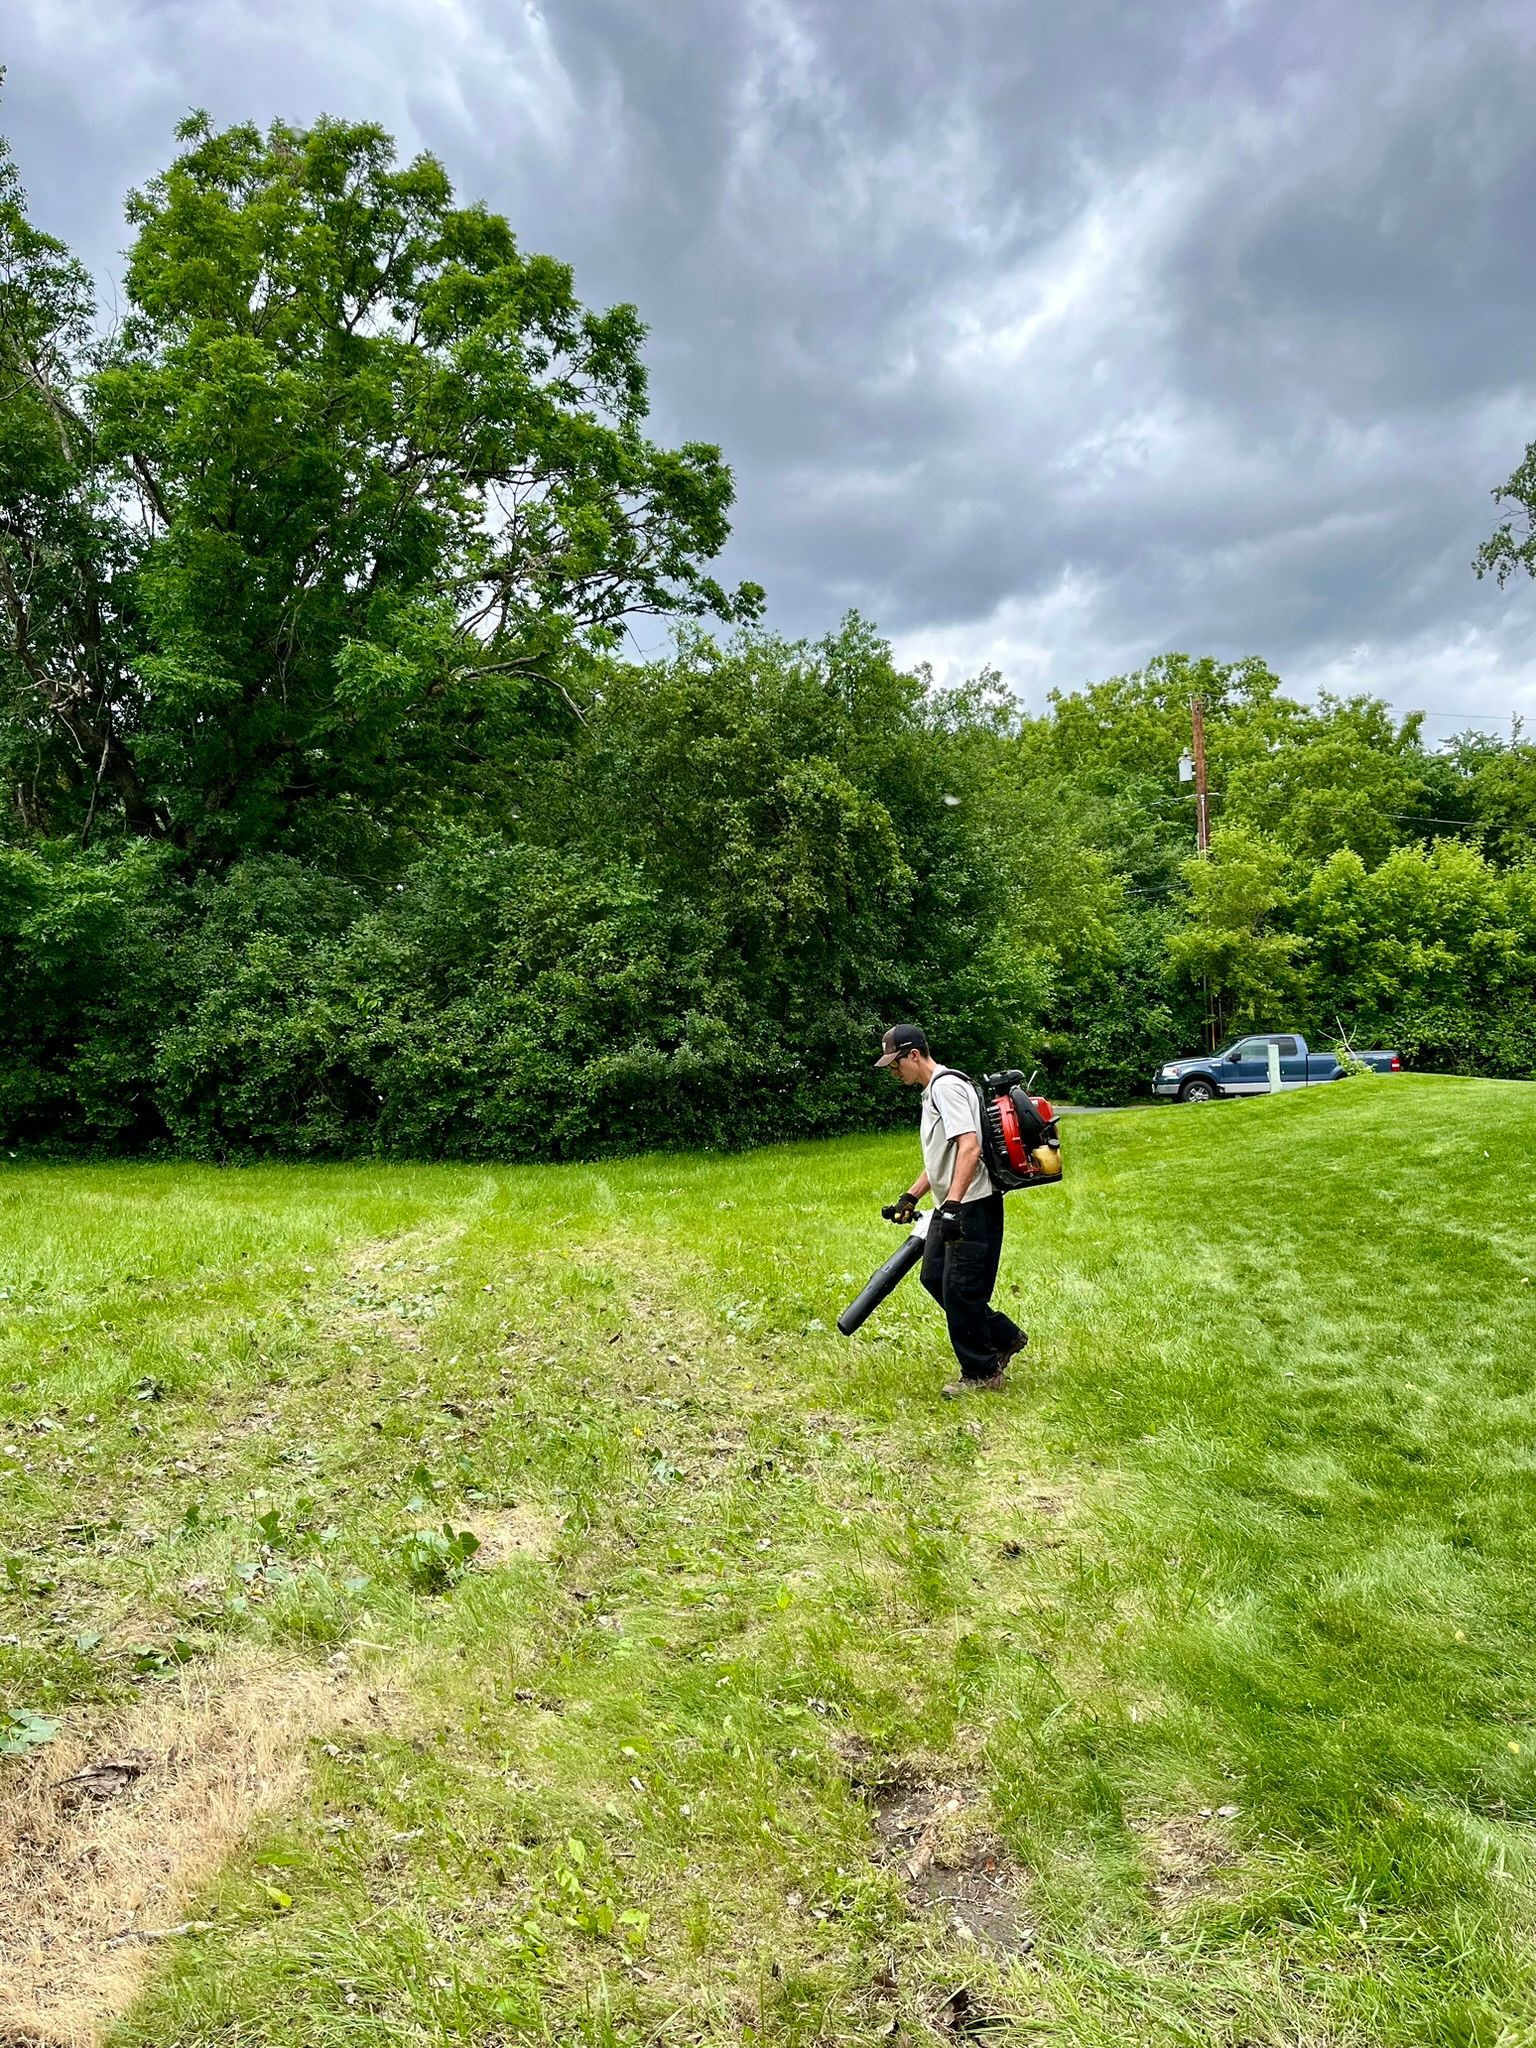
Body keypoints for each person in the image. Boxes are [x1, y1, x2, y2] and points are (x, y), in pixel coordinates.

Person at [874, 1023, 1027, 1396]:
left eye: (897, 1064)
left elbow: (970, 1148)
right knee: (934, 1277)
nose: (895, 1072)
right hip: (954, 1205)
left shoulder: (946, 1087)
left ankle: (983, 1373)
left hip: (972, 1204)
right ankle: (1003, 1337)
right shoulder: (932, 1092)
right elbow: (941, 1156)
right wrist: (911, 1197)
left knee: (960, 1290)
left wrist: (954, 1205)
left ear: (914, 1054)